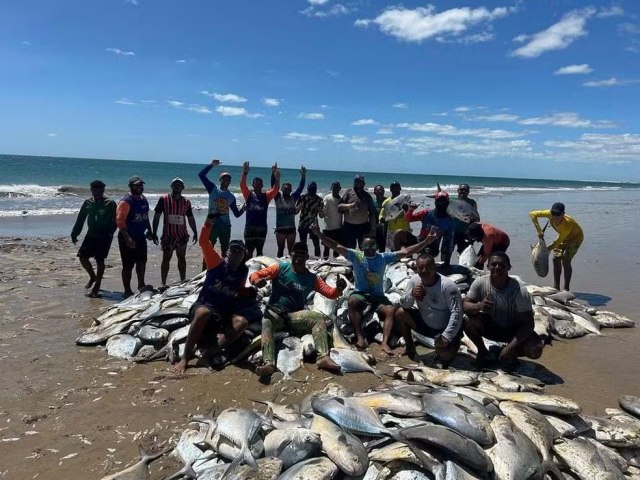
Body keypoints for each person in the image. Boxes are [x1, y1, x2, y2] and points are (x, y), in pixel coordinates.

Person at [311, 224, 437, 352]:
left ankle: (385, 342)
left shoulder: (383, 257)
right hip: (360, 294)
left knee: (390, 310)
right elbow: (335, 245)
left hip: (378, 296)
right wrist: (319, 234)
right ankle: (360, 337)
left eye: (373, 246)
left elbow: (406, 252)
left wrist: (426, 241)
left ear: (377, 247)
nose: (370, 248)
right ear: (361, 246)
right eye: (367, 246)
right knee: (351, 301)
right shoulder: (356, 256)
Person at [173, 213, 257, 374]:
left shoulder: (243, 271)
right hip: (204, 307)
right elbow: (204, 242)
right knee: (204, 313)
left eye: (240, 252)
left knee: (242, 322)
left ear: (244, 255)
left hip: (223, 314)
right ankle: (185, 357)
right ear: (227, 252)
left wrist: (249, 292)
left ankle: (208, 353)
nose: (236, 254)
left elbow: (238, 290)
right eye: (233, 250)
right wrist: (208, 222)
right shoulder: (216, 262)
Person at [249, 242, 347, 376]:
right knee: (267, 322)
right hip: (275, 312)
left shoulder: (312, 278)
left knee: (318, 318)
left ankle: (323, 357)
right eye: (296, 253)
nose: (298, 257)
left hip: (295, 316)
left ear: (307, 257)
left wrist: (339, 289)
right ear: (291, 254)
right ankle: (269, 363)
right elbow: (255, 275)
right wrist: (257, 281)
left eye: (302, 254)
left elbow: (329, 293)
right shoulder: (280, 268)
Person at [463, 252, 544, 368]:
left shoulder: (519, 290)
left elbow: (529, 324)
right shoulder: (480, 282)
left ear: (509, 267)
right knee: (466, 321)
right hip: (489, 326)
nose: (497, 267)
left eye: (502, 265)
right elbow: (464, 305)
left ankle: (512, 353)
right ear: (488, 266)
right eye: (493, 264)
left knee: (536, 349)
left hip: (511, 330)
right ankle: (482, 351)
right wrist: (479, 306)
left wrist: (510, 347)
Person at [394, 254, 463, 366]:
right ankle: (410, 347)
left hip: (444, 327)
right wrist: (412, 294)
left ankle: (452, 344)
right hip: (425, 323)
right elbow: (405, 305)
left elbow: (457, 313)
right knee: (400, 313)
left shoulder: (448, 286)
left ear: (434, 267)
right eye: (420, 268)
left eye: (428, 267)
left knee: (445, 358)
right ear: (416, 268)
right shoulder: (414, 280)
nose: (424, 271)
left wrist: (447, 335)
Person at [70, 180, 117, 298]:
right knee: (82, 257)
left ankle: (98, 284)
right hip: (91, 234)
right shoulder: (87, 203)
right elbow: (81, 218)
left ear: (103, 191)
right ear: (91, 190)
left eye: (100, 191)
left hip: (104, 235)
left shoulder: (110, 203)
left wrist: (111, 232)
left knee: (100, 260)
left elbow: (116, 220)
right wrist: (75, 233)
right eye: (95, 190)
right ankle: (92, 276)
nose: (98, 193)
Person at [151, 178, 198, 289]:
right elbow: (157, 216)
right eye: (175, 185)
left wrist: (195, 232)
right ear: (171, 186)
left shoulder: (186, 201)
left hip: (182, 235)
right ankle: (163, 282)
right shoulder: (164, 199)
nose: (177, 187)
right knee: (166, 258)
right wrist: (154, 232)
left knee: (181, 258)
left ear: (183, 188)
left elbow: (190, 217)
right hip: (168, 235)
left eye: (180, 185)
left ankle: (182, 281)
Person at [529, 202, 583, 291]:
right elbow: (532, 214)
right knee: (556, 258)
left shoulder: (568, 223)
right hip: (563, 236)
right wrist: (538, 229)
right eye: (553, 213)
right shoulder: (549, 214)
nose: (555, 216)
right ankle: (556, 286)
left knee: (566, 260)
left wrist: (548, 249)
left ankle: (566, 288)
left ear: (563, 214)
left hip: (575, 238)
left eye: (558, 214)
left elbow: (559, 240)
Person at [198, 159, 243, 258]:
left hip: (225, 227)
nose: (226, 180)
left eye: (228, 179)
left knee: (225, 252)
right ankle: (205, 272)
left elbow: (236, 214)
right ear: (220, 180)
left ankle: (223, 271)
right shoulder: (212, 188)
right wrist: (212, 165)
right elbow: (201, 175)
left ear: (230, 182)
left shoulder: (231, 196)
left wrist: (243, 209)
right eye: (224, 178)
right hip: (212, 225)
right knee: (208, 250)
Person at [116, 176, 152, 298]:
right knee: (128, 265)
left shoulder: (144, 199)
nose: (139, 187)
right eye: (136, 185)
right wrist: (127, 238)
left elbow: (145, 217)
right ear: (130, 187)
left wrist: (150, 231)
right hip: (127, 237)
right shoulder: (126, 201)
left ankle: (141, 284)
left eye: (141, 185)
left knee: (142, 262)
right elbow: (120, 221)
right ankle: (127, 289)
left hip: (140, 236)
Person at [401, 191, 456, 267]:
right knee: (399, 233)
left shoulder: (449, 221)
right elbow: (408, 219)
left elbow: (448, 244)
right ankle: (400, 261)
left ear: (448, 203)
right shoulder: (426, 213)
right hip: (419, 241)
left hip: (431, 247)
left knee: (423, 263)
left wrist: (446, 263)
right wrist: (410, 210)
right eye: (439, 201)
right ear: (435, 201)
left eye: (444, 201)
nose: (441, 203)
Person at [240, 161, 280, 258]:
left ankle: (258, 271)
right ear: (253, 185)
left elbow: (276, 189)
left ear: (262, 186)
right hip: (250, 226)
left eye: (260, 184)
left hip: (262, 227)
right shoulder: (248, 195)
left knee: (259, 252)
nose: (258, 185)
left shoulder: (266, 196)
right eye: (256, 184)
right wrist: (245, 173)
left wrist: (277, 178)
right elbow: (242, 185)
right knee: (248, 251)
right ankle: (247, 270)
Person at [272, 165, 306, 257]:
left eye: (288, 189)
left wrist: (303, 175)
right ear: (281, 189)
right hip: (280, 229)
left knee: (291, 251)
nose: (287, 190)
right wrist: (274, 174)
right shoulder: (277, 197)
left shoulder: (293, 198)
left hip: (291, 229)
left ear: (291, 190)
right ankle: (280, 267)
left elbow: (300, 187)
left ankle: (290, 267)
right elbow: (273, 186)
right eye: (285, 188)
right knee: (280, 249)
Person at [338, 174, 376, 249]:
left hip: (363, 227)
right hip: (349, 226)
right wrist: (350, 205)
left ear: (364, 183)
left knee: (364, 249)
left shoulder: (367, 196)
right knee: (350, 249)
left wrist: (373, 229)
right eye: (357, 181)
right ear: (354, 182)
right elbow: (339, 207)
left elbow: (372, 213)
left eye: (360, 182)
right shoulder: (349, 193)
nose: (358, 183)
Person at [380, 181, 411, 251]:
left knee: (408, 248)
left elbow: (410, 213)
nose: (395, 189)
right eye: (393, 187)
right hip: (393, 228)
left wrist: (407, 209)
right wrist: (381, 218)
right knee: (394, 249)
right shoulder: (386, 201)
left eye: (397, 187)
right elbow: (383, 213)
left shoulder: (405, 198)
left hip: (405, 227)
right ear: (390, 189)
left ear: (400, 188)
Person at [296, 181, 324, 257]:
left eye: (314, 188)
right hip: (303, 224)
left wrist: (321, 209)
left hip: (313, 225)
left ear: (316, 189)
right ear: (308, 188)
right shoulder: (302, 197)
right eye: (311, 188)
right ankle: (305, 259)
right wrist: (299, 206)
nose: (312, 189)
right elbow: (296, 211)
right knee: (303, 245)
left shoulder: (319, 200)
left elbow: (321, 216)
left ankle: (318, 259)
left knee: (316, 244)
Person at [453, 183, 479, 254]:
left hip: (465, 232)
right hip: (452, 231)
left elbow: (475, 218)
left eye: (465, 190)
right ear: (457, 190)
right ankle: (445, 265)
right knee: (446, 251)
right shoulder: (452, 200)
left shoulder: (472, 202)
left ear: (468, 192)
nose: (463, 191)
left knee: (464, 252)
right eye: (461, 189)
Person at [321, 181, 343, 259]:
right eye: (334, 187)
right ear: (331, 188)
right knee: (326, 248)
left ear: (340, 189)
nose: (335, 188)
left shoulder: (341, 199)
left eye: (337, 187)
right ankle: (325, 262)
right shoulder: (327, 197)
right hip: (328, 227)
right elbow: (323, 213)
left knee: (336, 248)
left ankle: (335, 263)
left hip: (338, 228)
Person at [373, 184, 388, 252]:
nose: (380, 191)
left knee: (382, 246)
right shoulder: (372, 201)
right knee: (373, 246)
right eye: (378, 190)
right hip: (374, 226)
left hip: (385, 227)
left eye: (381, 190)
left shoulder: (387, 201)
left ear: (384, 191)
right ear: (374, 192)